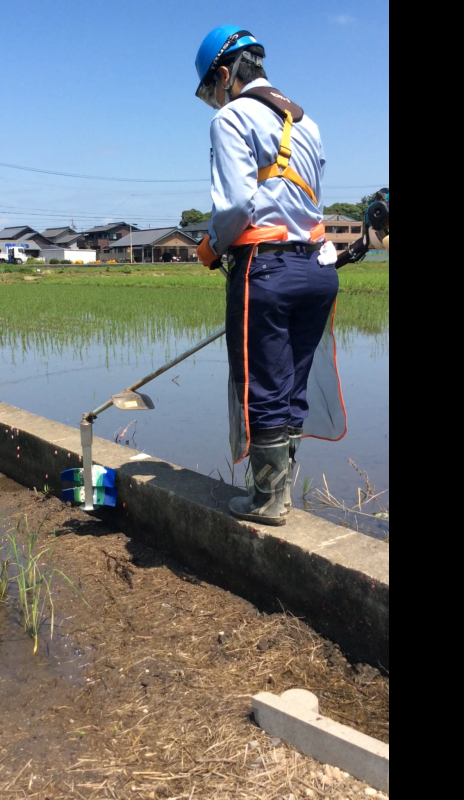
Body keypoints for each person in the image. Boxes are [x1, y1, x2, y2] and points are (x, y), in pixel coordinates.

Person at [194, 25, 345, 526]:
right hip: (317, 268)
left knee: (262, 384)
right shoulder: (308, 123)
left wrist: (212, 247)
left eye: (212, 90)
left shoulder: (233, 118)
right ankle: (282, 492)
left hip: (267, 267)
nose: (216, 101)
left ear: (224, 74)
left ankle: (267, 500)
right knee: (292, 383)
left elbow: (237, 204)